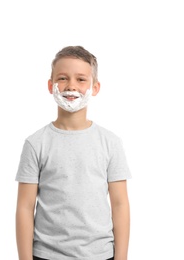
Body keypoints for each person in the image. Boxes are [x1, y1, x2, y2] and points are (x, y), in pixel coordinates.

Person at [15, 46, 132, 260]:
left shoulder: (110, 143)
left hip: (100, 254)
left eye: (81, 79)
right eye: (62, 78)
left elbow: (120, 204)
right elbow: (25, 206)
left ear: (95, 88)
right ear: (51, 86)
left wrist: (121, 257)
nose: (71, 86)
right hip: (47, 255)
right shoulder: (35, 143)